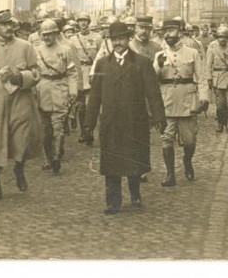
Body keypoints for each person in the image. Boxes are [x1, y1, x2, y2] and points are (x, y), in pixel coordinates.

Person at [83, 21, 165, 215]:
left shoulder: (142, 63)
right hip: (110, 122)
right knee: (112, 162)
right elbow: (95, 96)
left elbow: (153, 92)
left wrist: (159, 117)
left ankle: (135, 194)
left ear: (128, 39)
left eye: (121, 39)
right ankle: (113, 201)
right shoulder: (103, 64)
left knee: (134, 160)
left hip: (134, 121)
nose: (117, 43)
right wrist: (89, 123)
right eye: (114, 39)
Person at [0, 9, 42, 202]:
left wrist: (22, 77)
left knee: (21, 142)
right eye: (4, 24)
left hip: (21, 102)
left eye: (11, 24)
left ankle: (19, 169)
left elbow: (37, 73)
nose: (9, 27)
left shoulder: (25, 47)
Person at [153, 18, 209, 186]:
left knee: (190, 141)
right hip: (167, 101)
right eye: (165, 31)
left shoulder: (192, 53)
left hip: (187, 100)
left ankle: (187, 160)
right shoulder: (159, 55)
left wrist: (204, 97)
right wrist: (158, 67)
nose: (168, 35)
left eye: (171, 30)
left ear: (180, 32)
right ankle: (170, 174)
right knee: (166, 138)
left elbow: (201, 77)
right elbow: (153, 80)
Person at [33, 19, 78, 173]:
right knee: (45, 130)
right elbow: (33, 72)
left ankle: (57, 157)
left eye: (49, 34)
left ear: (56, 34)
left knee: (58, 127)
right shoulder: (36, 50)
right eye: (44, 34)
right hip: (42, 90)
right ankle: (48, 159)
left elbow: (72, 72)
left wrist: (73, 91)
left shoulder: (66, 50)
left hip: (60, 89)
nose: (46, 37)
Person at [70, 13, 101, 145]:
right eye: (80, 21)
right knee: (81, 106)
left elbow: (101, 55)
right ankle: (84, 132)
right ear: (77, 23)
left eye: (85, 21)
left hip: (93, 71)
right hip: (79, 72)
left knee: (91, 105)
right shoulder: (73, 39)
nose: (83, 23)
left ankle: (90, 130)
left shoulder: (97, 37)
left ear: (89, 22)